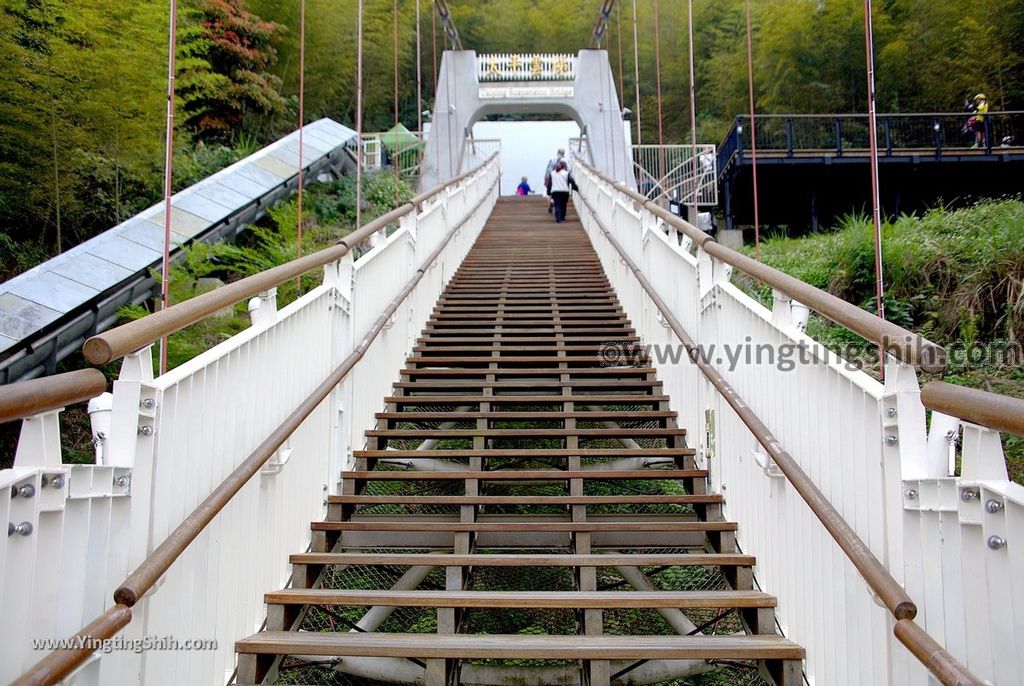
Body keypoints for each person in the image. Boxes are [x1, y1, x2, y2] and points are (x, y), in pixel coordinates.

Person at [544, 148, 567, 214]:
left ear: (557, 152)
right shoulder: (564, 160)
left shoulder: (552, 159)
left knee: (550, 191)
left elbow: (548, 169)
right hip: (560, 178)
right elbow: (568, 169)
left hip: (551, 177)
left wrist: (546, 178)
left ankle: (551, 201)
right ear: (563, 153)